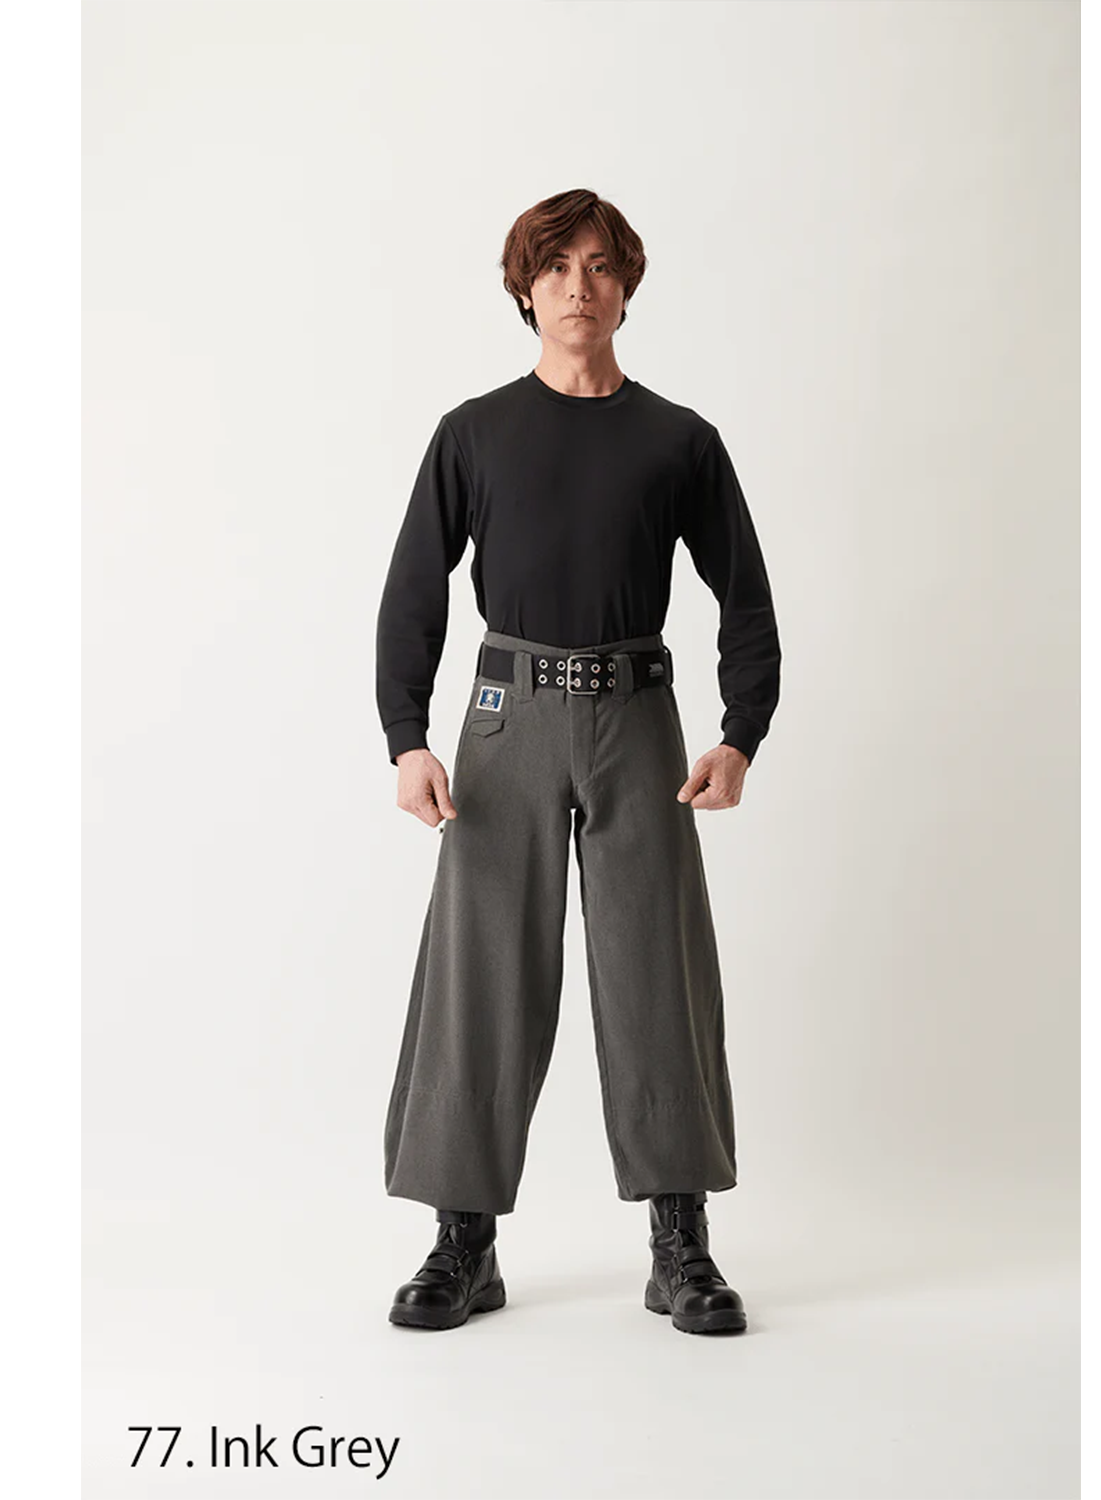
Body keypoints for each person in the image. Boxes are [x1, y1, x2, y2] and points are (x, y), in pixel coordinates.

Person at [375, 188, 782, 1335]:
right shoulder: (474, 433)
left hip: (638, 715)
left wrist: (740, 732)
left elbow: (746, 597)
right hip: (504, 718)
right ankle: (464, 1241)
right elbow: (412, 590)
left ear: (626, 286)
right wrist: (407, 737)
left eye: (600, 266)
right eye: (555, 268)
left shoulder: (678, 440)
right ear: (525, 289)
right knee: (482, 970)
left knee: (659, 968)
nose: (578, 287)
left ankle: (679, 1241)